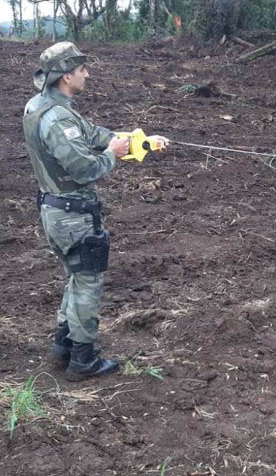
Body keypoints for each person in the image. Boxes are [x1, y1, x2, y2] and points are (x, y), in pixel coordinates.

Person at [22, 42, 169, 381]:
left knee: (75, 280)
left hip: (58, 210)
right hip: (73, 215)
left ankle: (63, 349)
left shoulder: (44, 106)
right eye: (82, 69)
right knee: (87, 283)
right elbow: (85, 169)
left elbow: (94, 135)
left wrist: (138, 141)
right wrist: (115, 155)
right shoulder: (58, 118)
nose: (87, 74)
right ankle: (83, 361)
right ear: (65, 75)